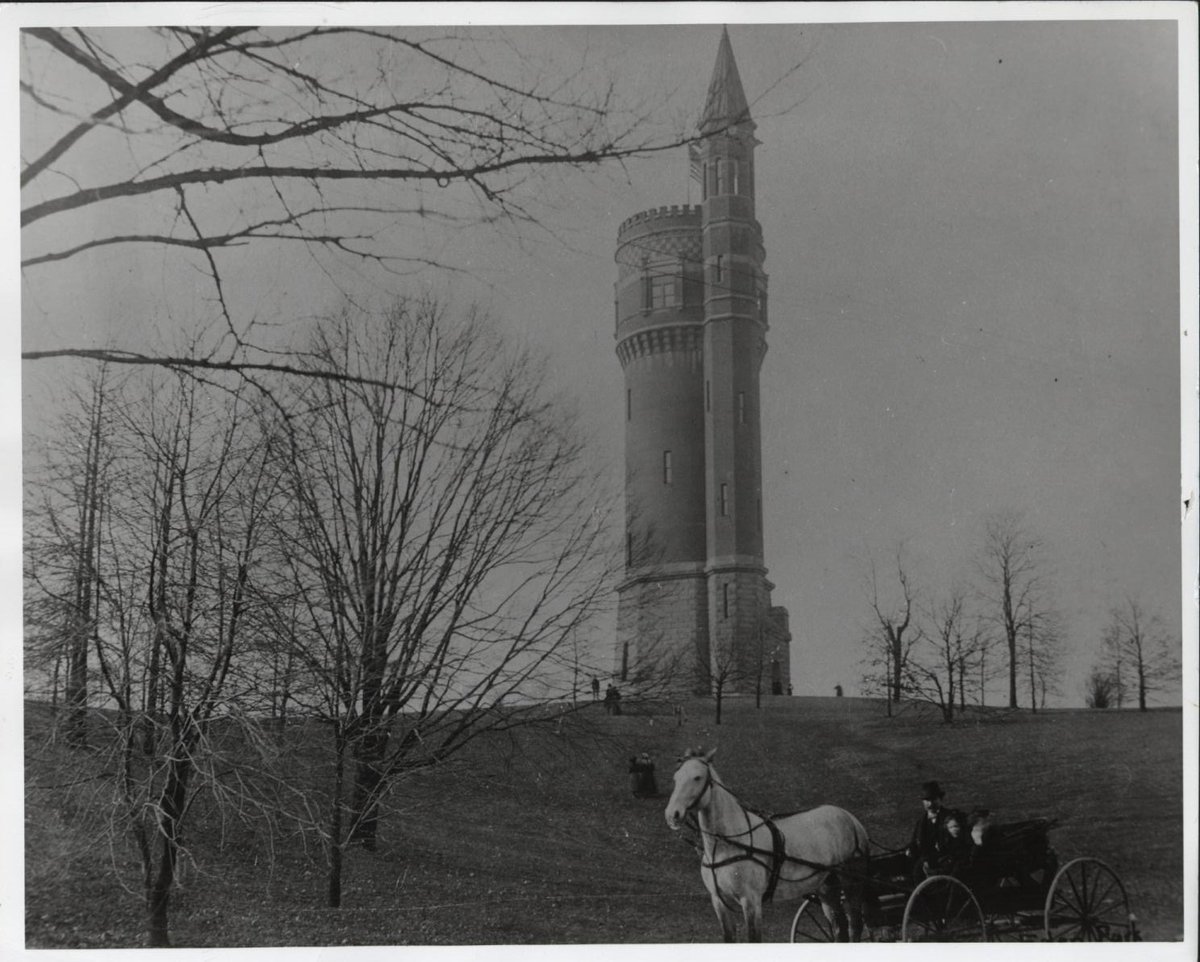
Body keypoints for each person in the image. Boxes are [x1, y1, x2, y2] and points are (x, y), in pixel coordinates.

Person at [907, 780, 952, 880]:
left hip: (944, 863)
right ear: (923, 802)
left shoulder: (949, 818)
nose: (930, 804)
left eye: (933, 799)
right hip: (925, 862)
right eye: (927, 800)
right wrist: (910, 849)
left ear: (940, 799)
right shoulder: (921, 822)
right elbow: (914, 842)